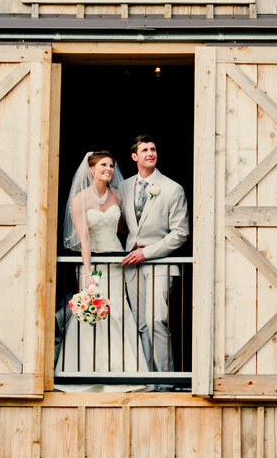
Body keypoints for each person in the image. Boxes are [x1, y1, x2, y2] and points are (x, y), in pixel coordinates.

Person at [55, 150, 146, 391]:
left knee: (118, 313)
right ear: (91, 169)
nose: (109, 169)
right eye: (104, 165)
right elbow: (84, 238)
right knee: (92, 312)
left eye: (112, 165)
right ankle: (86, 370)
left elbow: (125, 229)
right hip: (93, 264)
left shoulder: (117, 196)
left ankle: (122, 371)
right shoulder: (80, 200)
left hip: (117, 262)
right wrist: (87, 274)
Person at [120, 135, 189, 379]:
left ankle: (165, 380)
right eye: (145, 150)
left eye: (153, 149)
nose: (151, 153)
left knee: (156, 320)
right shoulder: (124, 186)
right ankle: (147, 379)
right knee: (140, 324)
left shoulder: (172, 188)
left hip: (159, 263)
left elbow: (181, 233)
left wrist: (146, 253)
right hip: (130, 266)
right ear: (134, 157)